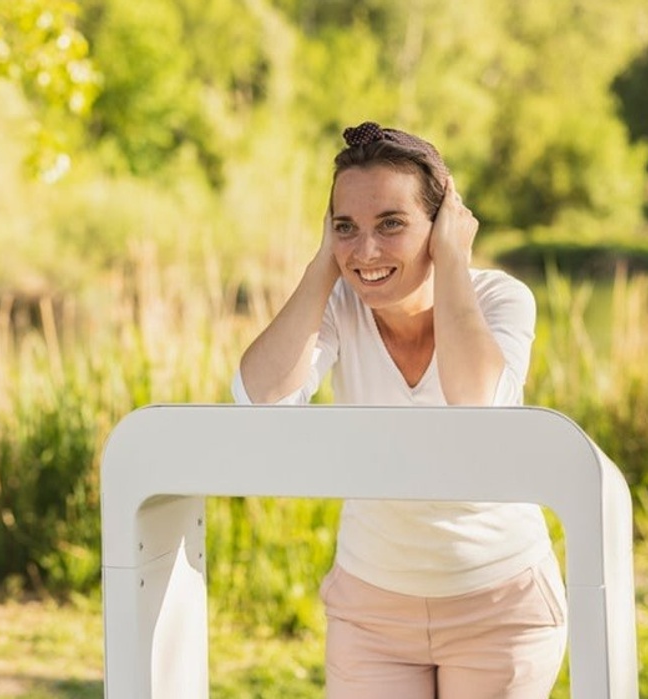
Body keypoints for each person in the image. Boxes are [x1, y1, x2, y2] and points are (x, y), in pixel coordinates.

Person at [232, 121, 567, 698]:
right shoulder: (338, 306)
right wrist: (323, 266)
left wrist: (453, 263)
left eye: (391, 224)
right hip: (371, 615)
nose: (367, 251)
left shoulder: (500, 299)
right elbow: (260, 399)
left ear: (440, 226)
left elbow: (477, 404)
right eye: (347, 228)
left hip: (500, 604)